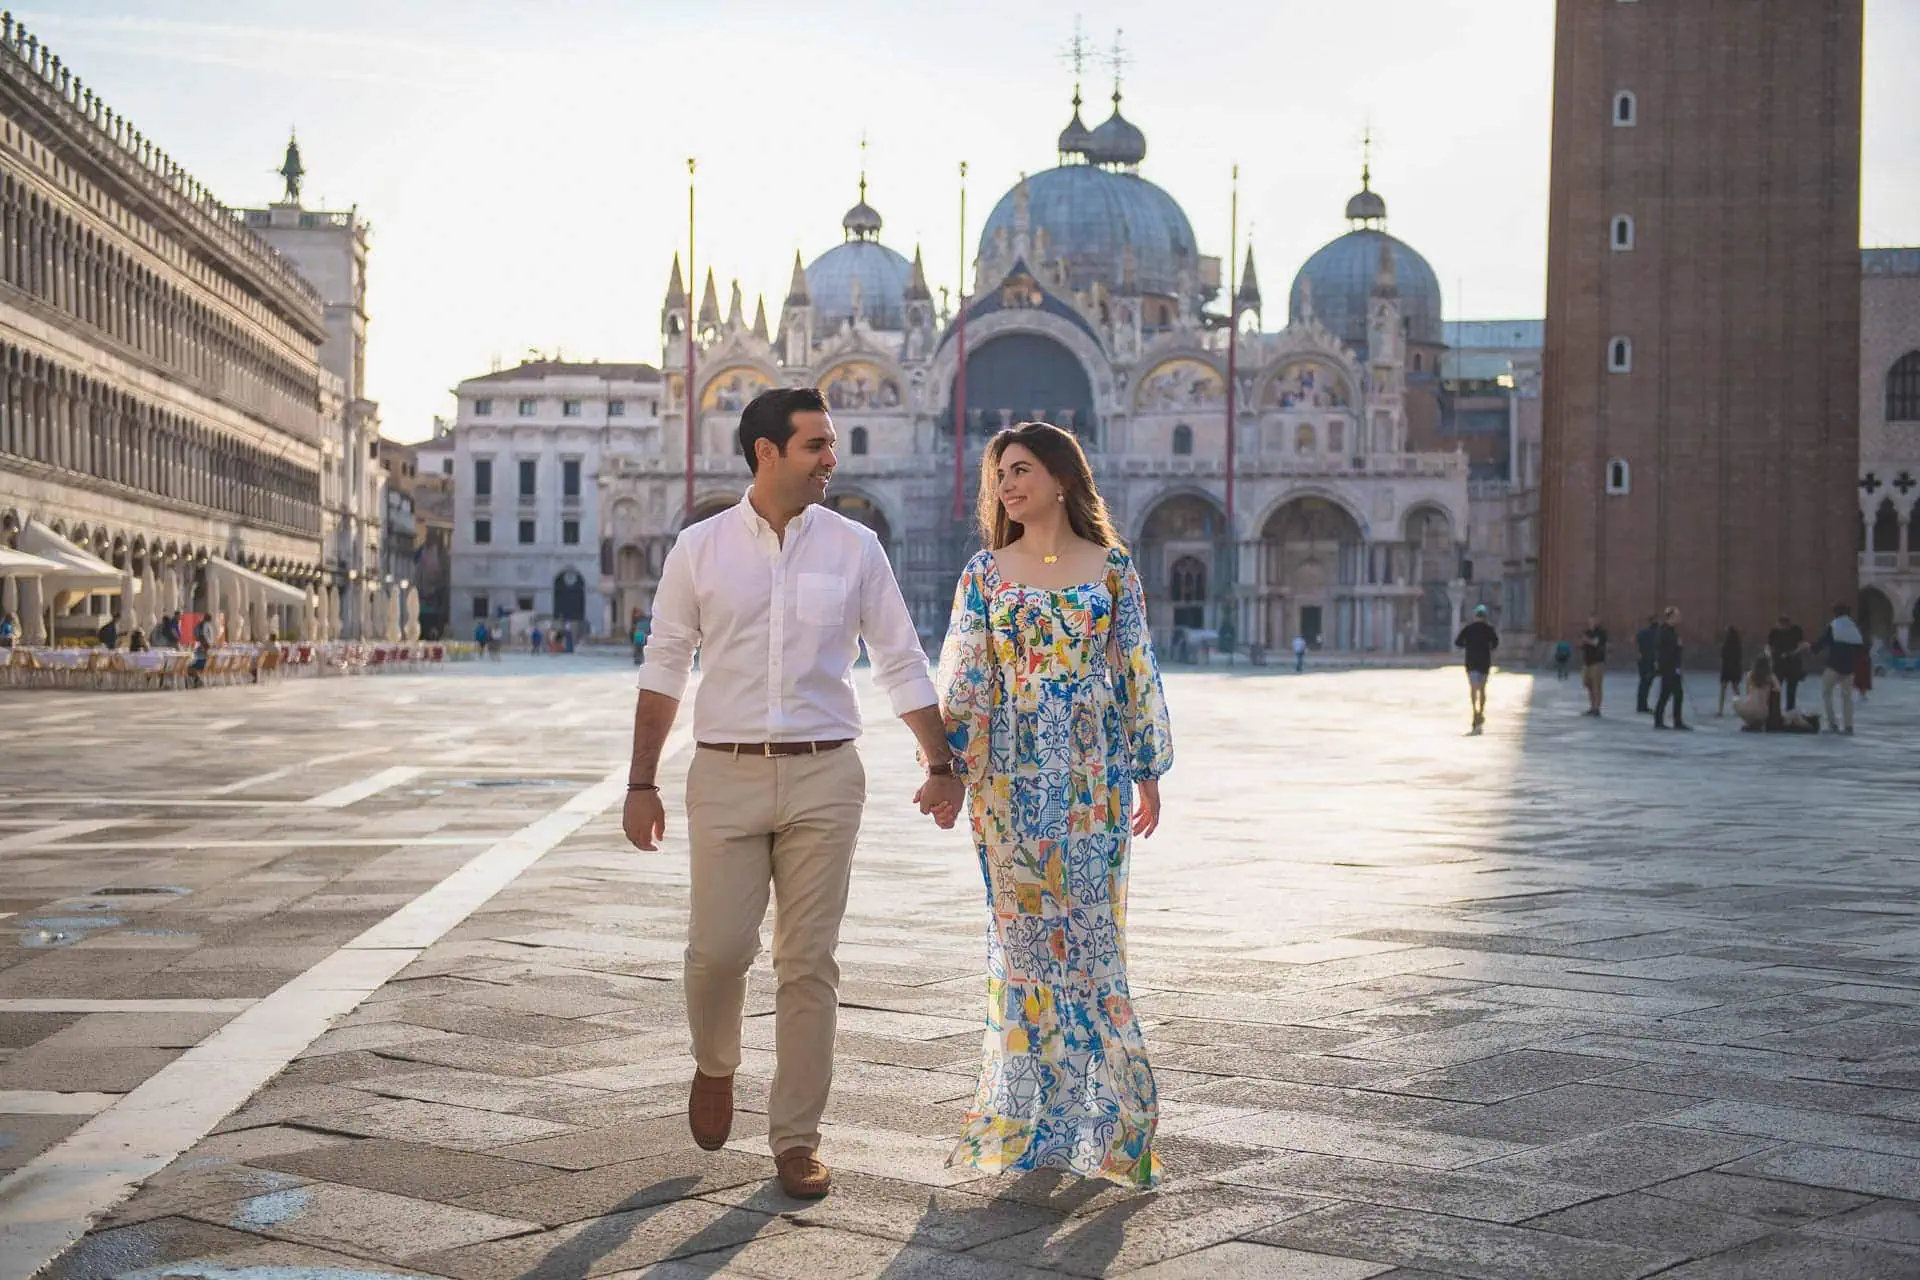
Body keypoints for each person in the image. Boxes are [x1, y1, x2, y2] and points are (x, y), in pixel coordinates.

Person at [621, 387, 961, 1202]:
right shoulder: (699, 548)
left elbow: (901, 660)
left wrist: (939, 760)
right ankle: (716, 1063)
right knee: (717, 953)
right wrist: (641, 781)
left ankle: (797, 1138)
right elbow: (664, 664)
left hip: (825, 772)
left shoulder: (856, 547)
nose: (830, 459)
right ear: (766, 452)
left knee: (808, 963)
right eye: (816, 445)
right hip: (725, 771)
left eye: (832, 445)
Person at [937, 420, 1171, 1189]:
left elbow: (1136, 667)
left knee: (1091, 940)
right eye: (999, 472)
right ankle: (1042, 1120)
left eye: (1023, 468)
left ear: (1063, 478)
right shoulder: (984, 573)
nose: (1006, 483)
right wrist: (949, 768)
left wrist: (1148, 767)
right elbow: (969, 679)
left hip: (1092, 778)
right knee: (1028, 948)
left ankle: (1119, 1118)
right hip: (1004, 782)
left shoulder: (1111, 569)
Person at [1812, 602, 1864, 736]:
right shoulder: (1854, 627)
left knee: (1826, 693)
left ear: (1835, 613)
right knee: (1847, 697)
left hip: (1833, 666)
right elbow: (1862, 647)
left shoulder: (1833, 626)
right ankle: (1849, 726)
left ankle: (1832, 724)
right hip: (1849, 668)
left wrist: (1812, 649)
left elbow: (1821, 642)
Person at [1454, 604, 1498, 733]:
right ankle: (1481, 711)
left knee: (1473, 688)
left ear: (1475, 616)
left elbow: (1458, 642)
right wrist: (1487, 647)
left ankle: (1474, 711)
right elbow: (1495, 644)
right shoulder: (1489, 629)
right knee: (1483, 689)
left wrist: (1467, 645)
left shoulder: (1468, 629)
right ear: (1485, 617)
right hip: (1484, 662)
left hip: (1471, 661)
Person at [1653, 605, 1690, 730]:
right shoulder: (1664, 631)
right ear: (1671, 617)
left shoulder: (1671, 630)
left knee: (1677, 693)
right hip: (1668, 667)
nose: (1679, 618)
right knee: (1665, 694)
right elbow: (1666, 649)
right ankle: (1659, 720)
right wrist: (1678, 646)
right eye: (1677, 616)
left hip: (1673, 667)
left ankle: (1676, 721)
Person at [1768, 614, 1807, 712]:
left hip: (1793, 664)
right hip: (1778, 664)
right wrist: (1770, 656)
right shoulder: (1774, 632)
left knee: (1791, 690)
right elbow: (1768, 646)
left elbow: (1802, 645)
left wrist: (1791, 653)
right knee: (1775, 689)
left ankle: (1790, 710)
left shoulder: (1796, 630)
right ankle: (1774, 711)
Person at [1579, 615, 1608, 716]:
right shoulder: (1587, 632)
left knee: (1597, 685)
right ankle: (1592, 706)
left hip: (1597, 662)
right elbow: (1582, 645)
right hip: (1587, 662)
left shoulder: (1601, 633)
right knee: (1588, 684)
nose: (1591, 622)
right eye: (1590, 620)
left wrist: (1586, 640)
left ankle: (1597, 708)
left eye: (1594, 620)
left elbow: (1596, 643)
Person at [1717, 627, 1743, 717]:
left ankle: (1720, 710)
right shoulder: (1738, 645)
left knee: (1723, 690)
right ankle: (1739, 709)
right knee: (1736, 690)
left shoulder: (1725, 644)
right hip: (1735, 669)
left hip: (1727, 669)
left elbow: (1722, 656)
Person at [1634, 615, 1658, 713]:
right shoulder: (1656, 633)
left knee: (1643, 683)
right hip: (1649, 661)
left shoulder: (1642, 632)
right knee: (1646, 683)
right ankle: (1642, 706)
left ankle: (1641, 705)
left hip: (1642, 660)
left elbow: (1636, 643)